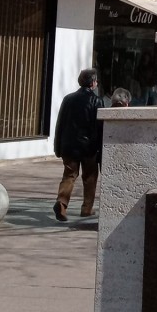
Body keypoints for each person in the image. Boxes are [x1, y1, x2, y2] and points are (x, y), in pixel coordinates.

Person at [53, 68, 104, 221]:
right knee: (89, 178)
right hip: (89, 148)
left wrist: (58, 146)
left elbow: (60, 124)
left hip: (69, 146)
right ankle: (86, 209)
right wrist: (100, 149)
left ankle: (62, 203)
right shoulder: (97, 101)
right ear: (93, 83)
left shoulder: (68, 99)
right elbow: (99, 128)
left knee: (69, 176)